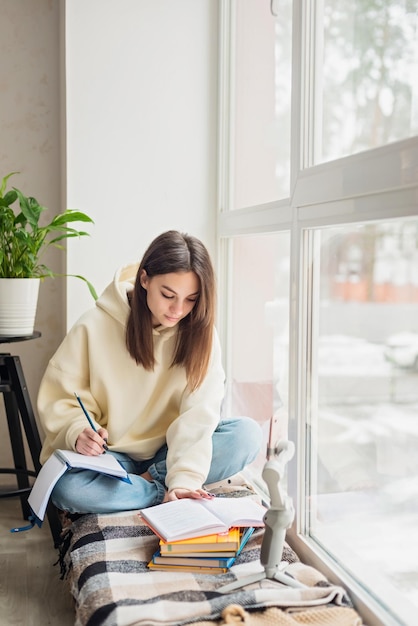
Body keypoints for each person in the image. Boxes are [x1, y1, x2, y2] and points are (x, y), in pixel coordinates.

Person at [37, 230, 262, 514]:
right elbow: (61, 396)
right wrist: (77, 431)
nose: (178, 310)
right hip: (111, 458)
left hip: (169, 451)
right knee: (66, 488)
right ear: (144, 279)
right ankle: (158, 491)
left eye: (191, 299)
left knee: (247, 435)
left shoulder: (201, 336)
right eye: (168, 295)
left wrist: (184, 478)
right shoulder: (94, 325)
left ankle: (148, 485)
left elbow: (198, 417)